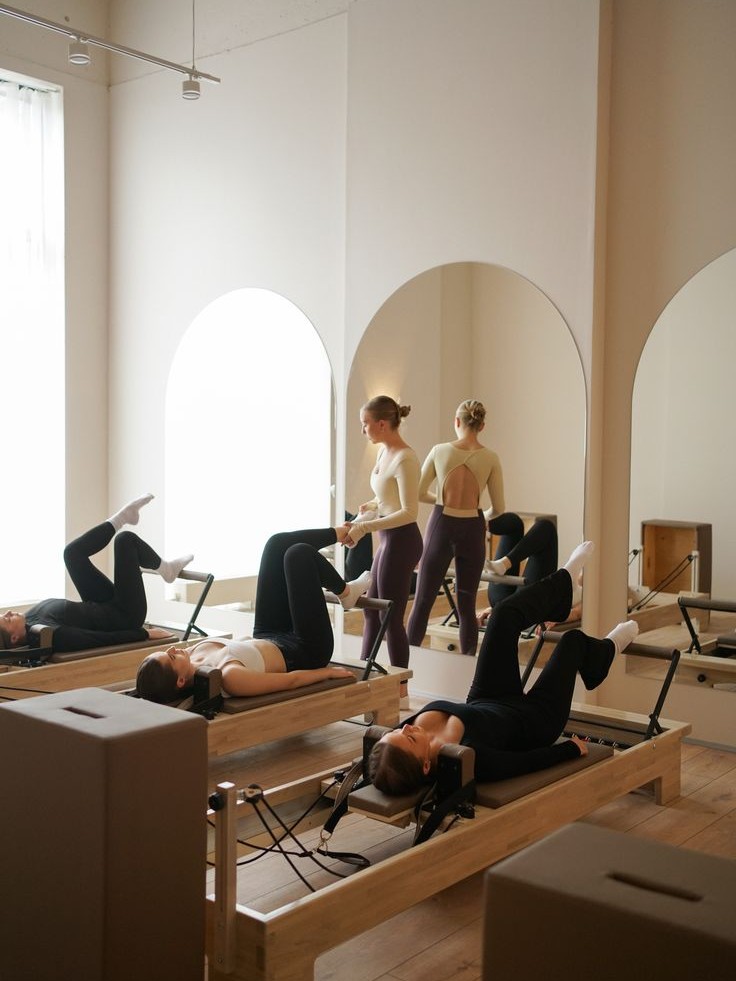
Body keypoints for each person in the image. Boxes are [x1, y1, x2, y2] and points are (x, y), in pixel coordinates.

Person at [368, 542, 640, 796]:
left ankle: (563, 583)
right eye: (409, 739)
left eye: (396, 732)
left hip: (487, 698)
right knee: (571, 642)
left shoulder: (403, 741)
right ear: (426, 765)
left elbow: (378, 760)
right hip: (534, 721)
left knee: (502, 617)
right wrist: (569, 750)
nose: (405, 728)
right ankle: (609, 649)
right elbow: (522, 763)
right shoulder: (468, 759)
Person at [135, 526, 372, 702]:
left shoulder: (191, 655)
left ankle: (342, 532)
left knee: (275, 545)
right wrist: (327, 673)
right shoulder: (229, 677)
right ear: (180, 681)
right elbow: (291, 681)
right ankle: (346, 593)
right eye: (171, 657)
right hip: (305, 650)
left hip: (267, 633)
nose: (172, 649)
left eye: (165, 651)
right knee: (298, 555)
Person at [0, 494, 189, 654]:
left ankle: (123, 518)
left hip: (100, 605)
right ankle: (167, 570)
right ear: (14, 637)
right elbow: (95, 639)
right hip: (125, 616)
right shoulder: (47, 634)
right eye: (7, 619)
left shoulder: (28, 618)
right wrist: (143, 634)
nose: (8, 613)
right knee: (125, 540)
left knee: (71, 554)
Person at [407, 399, 504, 656]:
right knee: (467, 605)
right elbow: (499, 508)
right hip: (474, 527)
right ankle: (467, 666)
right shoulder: (491, 458)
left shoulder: (439, 451)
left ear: (457, 421)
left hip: (442, 524)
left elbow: (418, 492)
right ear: (482, 426)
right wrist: (480, 517)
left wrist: (441, 499)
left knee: (423, 601)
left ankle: (404, 666)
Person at [343, 396, 423, 701]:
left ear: (381, 423)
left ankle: (400, 690)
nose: (363, 429)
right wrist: (371, 506)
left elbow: (409, 512)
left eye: (365, 424)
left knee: (389, 616)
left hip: (402, 541)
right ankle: (363, 679)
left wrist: (365, 527)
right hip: (389, 540)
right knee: (371, 611)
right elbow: (386, 498)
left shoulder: (406, 458)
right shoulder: (383, 453)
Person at [476, 513, 560, 626]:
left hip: (525, 608)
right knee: (515, 522)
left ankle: (503, 564)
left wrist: (557, 619)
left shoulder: (586, 601)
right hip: (504, 603)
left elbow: (578, 613)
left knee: (547, 527)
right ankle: (479, 523)